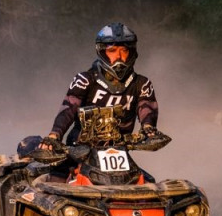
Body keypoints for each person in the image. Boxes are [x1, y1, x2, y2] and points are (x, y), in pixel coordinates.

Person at [19, 22, 160, 156]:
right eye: (112, 51)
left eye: (124, 51)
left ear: (132, 52)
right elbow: (68, 109)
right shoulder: (85, 79)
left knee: (146, 181)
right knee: (54, 178)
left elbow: (147, 110)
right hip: (79, 151)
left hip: (120, 153)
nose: (119, 57)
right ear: (102, 52)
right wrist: (54, 136)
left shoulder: (141, 84)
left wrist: (148, 129)